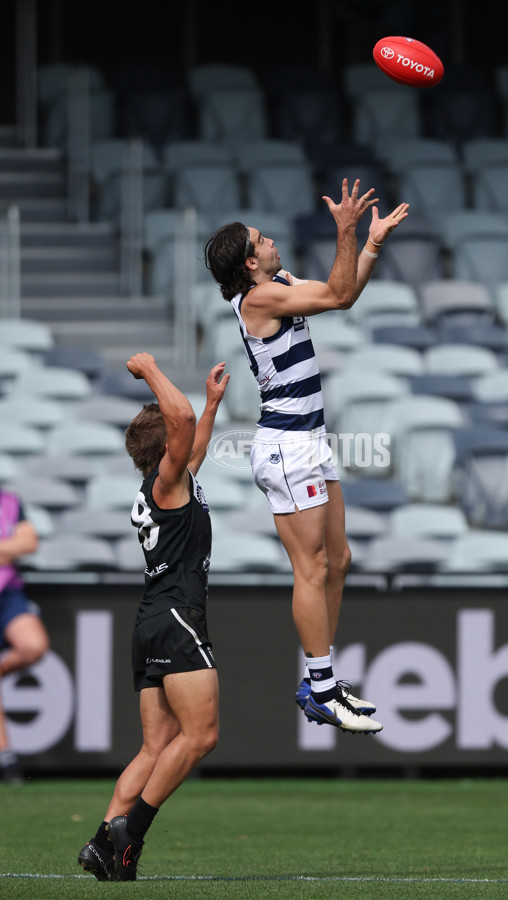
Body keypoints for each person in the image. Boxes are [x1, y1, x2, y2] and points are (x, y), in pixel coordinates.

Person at [204, 178, 409, 736]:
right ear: (249, 264)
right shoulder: (261, 298)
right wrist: (345, 231)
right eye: (262, 240)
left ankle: (322, 680)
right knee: (312, 567)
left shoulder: (280, 285)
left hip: (310, 443)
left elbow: (342, 292)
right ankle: (321, 687)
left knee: (337, 561)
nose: (271, 242)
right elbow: (340, 295)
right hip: (288, 447)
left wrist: (369, 245)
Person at [78, 353, 229, 882]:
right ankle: (131, 832)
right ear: (167, 446)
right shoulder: (168, 482)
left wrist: (210, 404)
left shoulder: (166, 485)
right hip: (176, 614)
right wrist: (150, 370)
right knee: (202, 733)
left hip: (150, 620)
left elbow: (195, 437)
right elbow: (181, 424)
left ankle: (102, 843)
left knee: (156, 746)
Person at [0, 490, 49, 784]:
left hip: (8, 594)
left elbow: (29, 542)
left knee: (34, 646)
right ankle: (6, 757)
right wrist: (9, 547)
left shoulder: (9, 501)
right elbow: (17, 544)